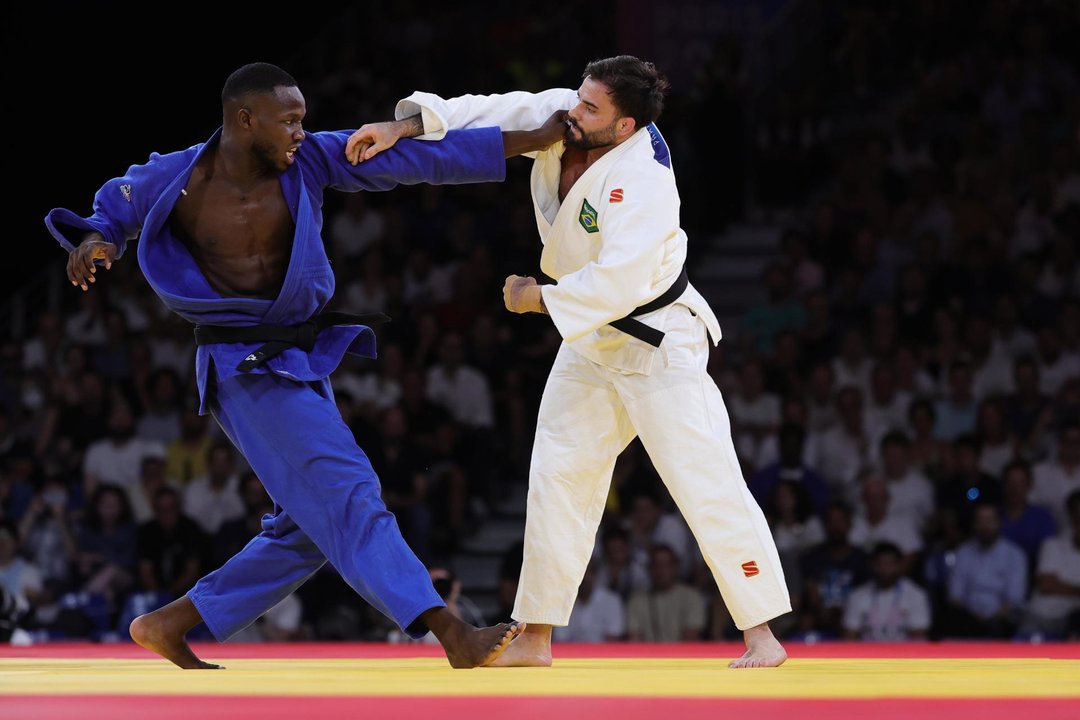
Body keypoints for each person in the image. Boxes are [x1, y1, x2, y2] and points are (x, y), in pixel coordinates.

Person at [45, 62, 565, 669]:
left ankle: (171, 621)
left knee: (308, 526)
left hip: (297, 358)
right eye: (288, 120)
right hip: (240, 364)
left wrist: (530, 140)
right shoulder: (178, 177)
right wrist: (96, 239)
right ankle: (452, 633)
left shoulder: (313, 159)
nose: (300, 131)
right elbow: (113, 207)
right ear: (244, 120)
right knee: (348, 491)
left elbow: (418, 162)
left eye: (303, 120)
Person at [348, 55, 790, 667]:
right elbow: (490, 109)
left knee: (704, 479)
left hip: (656, 340)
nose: (574, 114)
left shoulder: (647, 181)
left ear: (626, 125)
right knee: (558, 477)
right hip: (590, 342)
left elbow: (621, 282)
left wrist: (536, 299)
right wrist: (403, 128)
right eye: (579, 100)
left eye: (590, 109)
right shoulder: (572, 117)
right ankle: (536, 635)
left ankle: (762, 634)